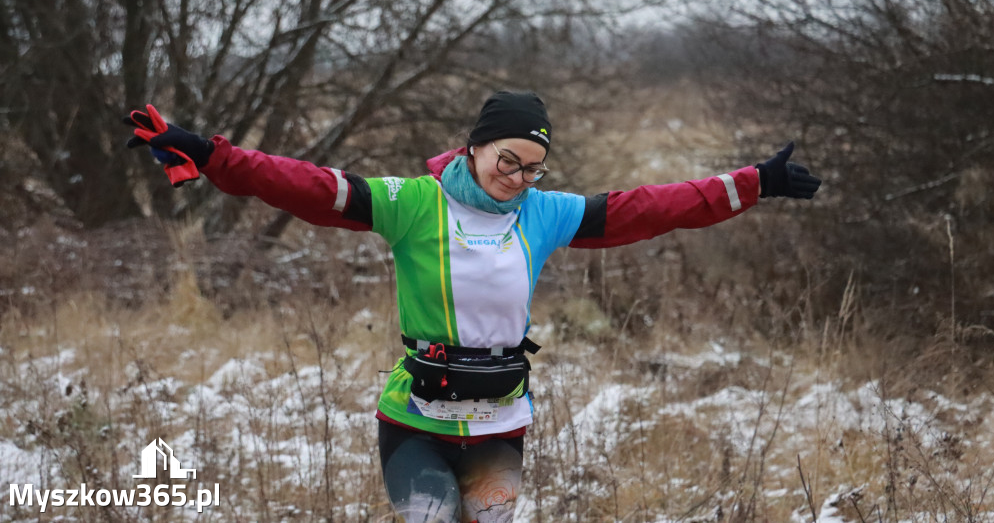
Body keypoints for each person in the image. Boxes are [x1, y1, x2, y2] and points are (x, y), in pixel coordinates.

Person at [124, 91, 820, 523]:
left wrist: (752, 182)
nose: (517, 178)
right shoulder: (412, 203)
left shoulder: (545, 213)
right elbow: (307, 185)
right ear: (475, 147)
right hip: (416, 416)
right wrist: (209, 154)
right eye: (506, 161)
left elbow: (650, 208)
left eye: (532, 167)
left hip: (499, 417)